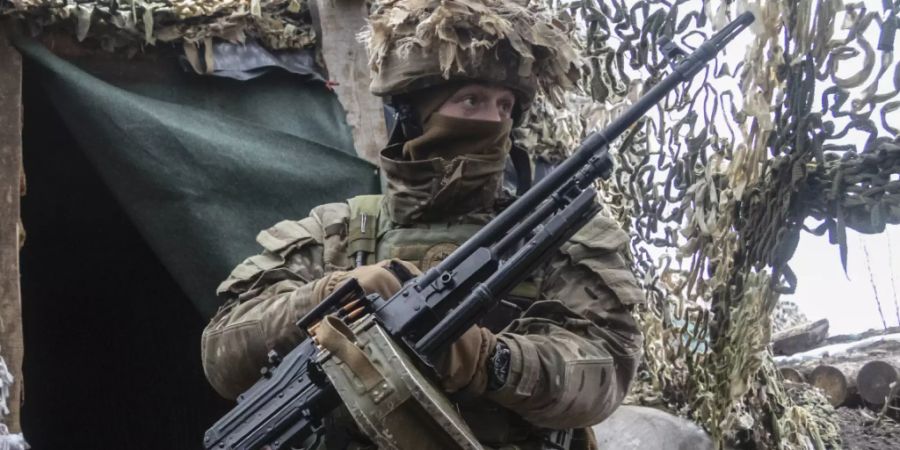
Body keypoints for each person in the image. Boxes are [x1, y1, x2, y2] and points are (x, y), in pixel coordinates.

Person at [201, 0, 645, 448]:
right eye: (471, 100)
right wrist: (334, 295)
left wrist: (488, 360)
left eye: (505, 105)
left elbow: (605, 372)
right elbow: (222, 353)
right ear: (412, 111)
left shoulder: (556, 236)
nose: (492, 120)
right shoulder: (334, 232)